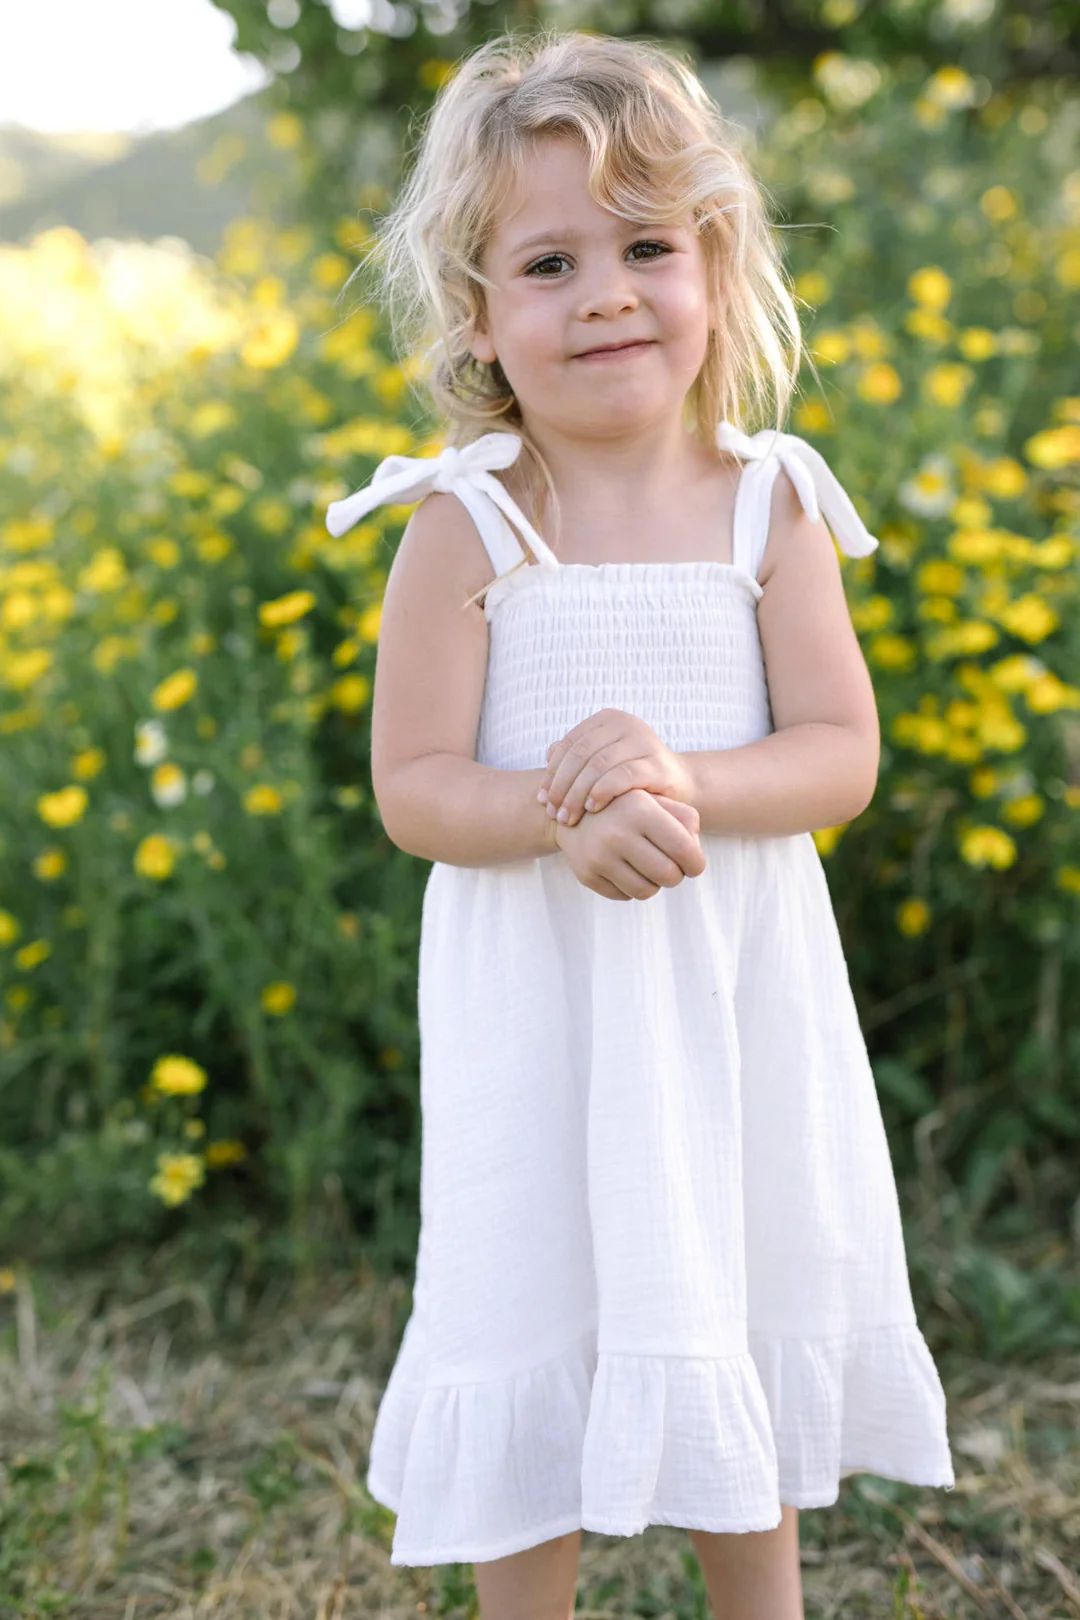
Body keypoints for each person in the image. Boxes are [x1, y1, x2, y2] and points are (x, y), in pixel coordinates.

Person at [325, 27, 955, 1620]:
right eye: (549, 260)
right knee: (532, 1299)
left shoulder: (773, 503)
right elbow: (413, 789)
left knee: (726, 1296)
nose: (607, 291)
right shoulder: (462, 522)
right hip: (540, 1016)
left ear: (717, 265)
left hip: (733, 1011)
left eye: (647, 247)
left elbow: (839, 756)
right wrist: (563, 808)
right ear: (477, 311)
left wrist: (673, 776)